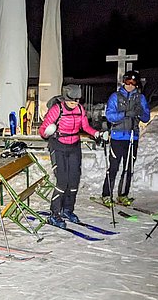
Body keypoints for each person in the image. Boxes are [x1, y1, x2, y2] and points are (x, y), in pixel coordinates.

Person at [38, 92, 107, 229]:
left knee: (74, 179)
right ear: (65, 99)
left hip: (74, 146)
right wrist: (47, 132)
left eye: (76, 101)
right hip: (58, 146)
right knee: (62, 181)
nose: (74, 104)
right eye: (71, 101)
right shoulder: (57, 109)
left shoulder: (80, 109)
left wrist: (97, 133)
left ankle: (67, 209)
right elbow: (43, 130)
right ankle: (54, 214)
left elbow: (85, 127)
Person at [101, 70, 150, 207]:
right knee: (114, 167)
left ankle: (123, 194)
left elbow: (146, 117)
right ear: (124, 82)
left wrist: (140, 112)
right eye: (128, 82)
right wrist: (126, 113)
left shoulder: (140, 98)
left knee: (128, 168)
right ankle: (106, 194)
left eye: (133, 82)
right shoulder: (115, 97)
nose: (130, 85)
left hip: (132, 137)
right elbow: (110, 116)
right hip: (117, 137)